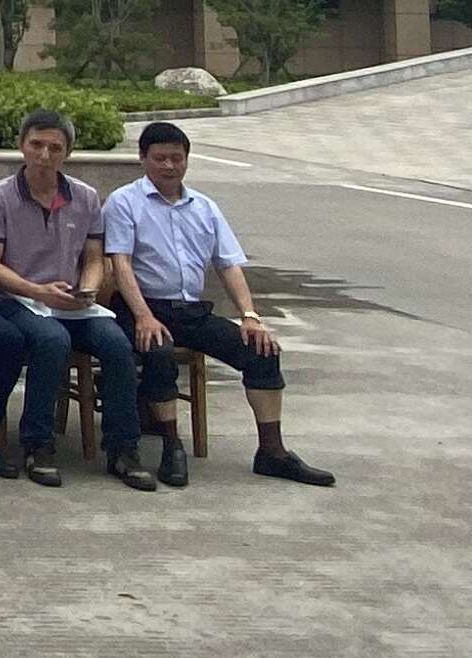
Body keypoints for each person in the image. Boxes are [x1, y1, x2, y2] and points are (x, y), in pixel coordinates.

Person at [109, 120, 335, 488]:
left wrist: (250, 316)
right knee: (159, 352)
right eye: (160, 158)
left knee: (261, 350)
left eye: (176, 158)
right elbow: (121, 264)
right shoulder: (124, 202)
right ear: (142, 158)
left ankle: (272, 451)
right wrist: (144, 316)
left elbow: (228, 264)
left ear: (187, 160)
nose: (169, 166)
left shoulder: (205, 207)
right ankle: (171, 446)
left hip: (191, 311)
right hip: (143, 309)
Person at [0, 109, 155, 491]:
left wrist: (88, 288)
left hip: (71, 300)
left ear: (67, 152)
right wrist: (36, 290)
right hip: (15, 298)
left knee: (117, 343)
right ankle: (38, 445)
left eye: (55, 147)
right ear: (21, 146)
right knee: (51, 340)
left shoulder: (84, 197)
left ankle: (123, 447)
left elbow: (94, 259)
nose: (44, 155)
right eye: (36, 145)